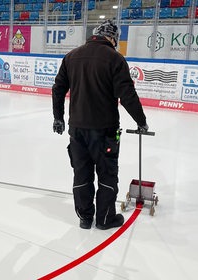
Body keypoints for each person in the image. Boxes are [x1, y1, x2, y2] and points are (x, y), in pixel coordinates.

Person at [51, 20, 148, 230]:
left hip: (77, 129)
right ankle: (104, 219)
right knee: (107, 173)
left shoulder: (72, 56)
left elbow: (58, 89)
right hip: (105, 130)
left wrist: (58, 117)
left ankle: (85, 218)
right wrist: (141, 121)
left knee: (81, 172)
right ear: (112, 37)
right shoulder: (115, 58)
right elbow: (127, 94)